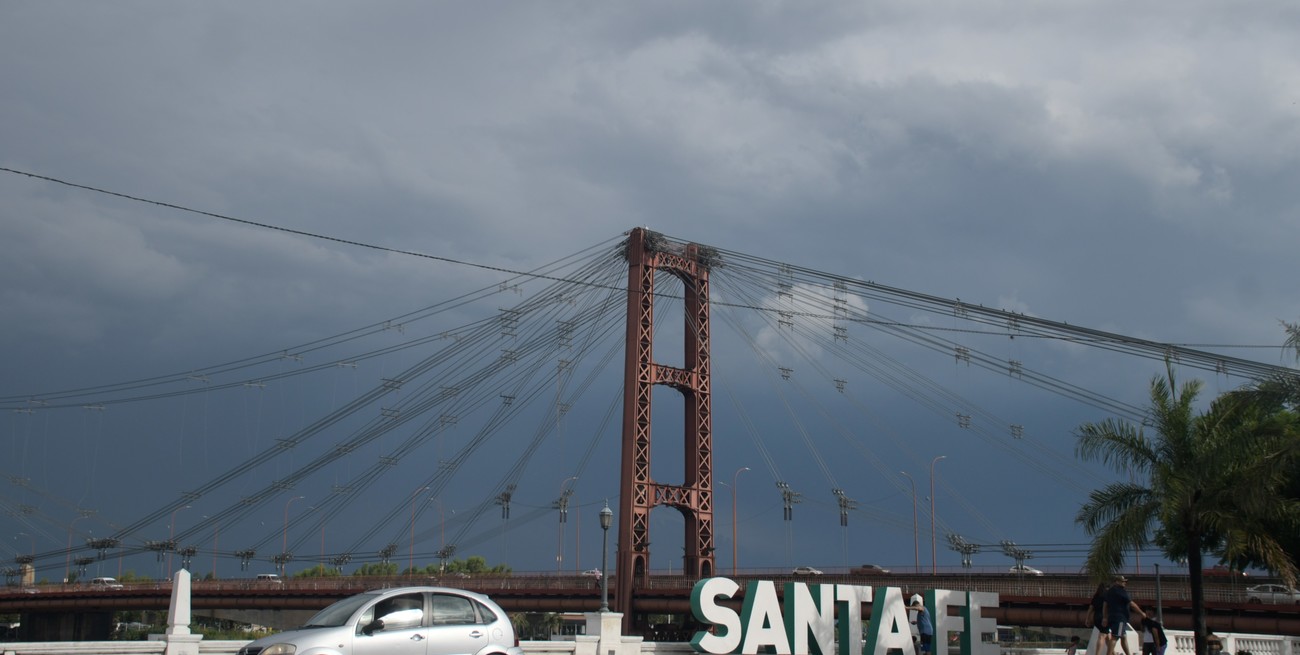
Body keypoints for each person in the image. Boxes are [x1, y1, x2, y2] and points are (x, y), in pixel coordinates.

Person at [1101, 575, 1146, 655]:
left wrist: (1105, 617)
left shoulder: (1109, 591)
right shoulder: (1121, 591)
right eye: (1123, 581)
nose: (1124, 583)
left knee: (1123, 636)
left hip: (1112, 617)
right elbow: (1131, 604)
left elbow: (1105, 605)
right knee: (1115, 637)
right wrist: (1141, 613)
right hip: (1120, 618)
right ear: (1117, 582)